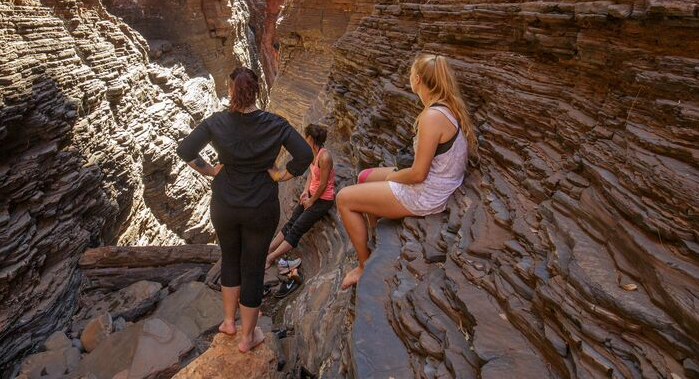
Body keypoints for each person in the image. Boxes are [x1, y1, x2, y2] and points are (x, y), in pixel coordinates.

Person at [177, 66, 313, 353]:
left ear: (231, 91)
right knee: (253, 267)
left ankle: (228, 322)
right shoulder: (275, 124)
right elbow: (304, 155)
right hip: (260, 207)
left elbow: (186, 150)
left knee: (230, 258)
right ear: (256, 91)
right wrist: (280, 175)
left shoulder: (216, 122)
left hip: (225, 204)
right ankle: (248, 337)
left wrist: (211, 170)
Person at [335, 52, 477, 289]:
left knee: (344, 199)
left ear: (418, 79)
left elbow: (418, 174)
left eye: (411, 73)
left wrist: (393, 178)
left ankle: (363, 265)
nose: (409, 77)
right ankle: (373, 234)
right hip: (438, 180)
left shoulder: (432, 116)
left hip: (428, 192)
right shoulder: (444, 107)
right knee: (364, 177)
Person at [264, 124, 334, 271]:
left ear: (310, 138)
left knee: (296, 229)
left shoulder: (325, 157)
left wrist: (311, 201)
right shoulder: (311, 154)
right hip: (311, 195)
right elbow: (311, 175)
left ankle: (270, 258)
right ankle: (268, 249)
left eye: (305, 136)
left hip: (322, 200)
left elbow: (323, 184)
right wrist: (305, 191)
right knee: (291, 223)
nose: (303, 139)